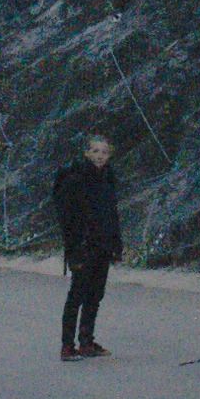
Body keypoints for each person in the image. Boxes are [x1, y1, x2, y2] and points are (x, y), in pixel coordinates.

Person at [52, 130, 121, 359]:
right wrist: (73, 249)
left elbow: (112, 214)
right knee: (77, 295)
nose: (100, 156)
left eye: (104, 152)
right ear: (86, 153)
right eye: (95, 151)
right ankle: (67, 345)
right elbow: (68, 218)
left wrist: (116, 243)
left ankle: (86, 341)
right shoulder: (76, 180)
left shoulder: (108, 178)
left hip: (102, 245)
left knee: (95, 295)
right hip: (83, 246)